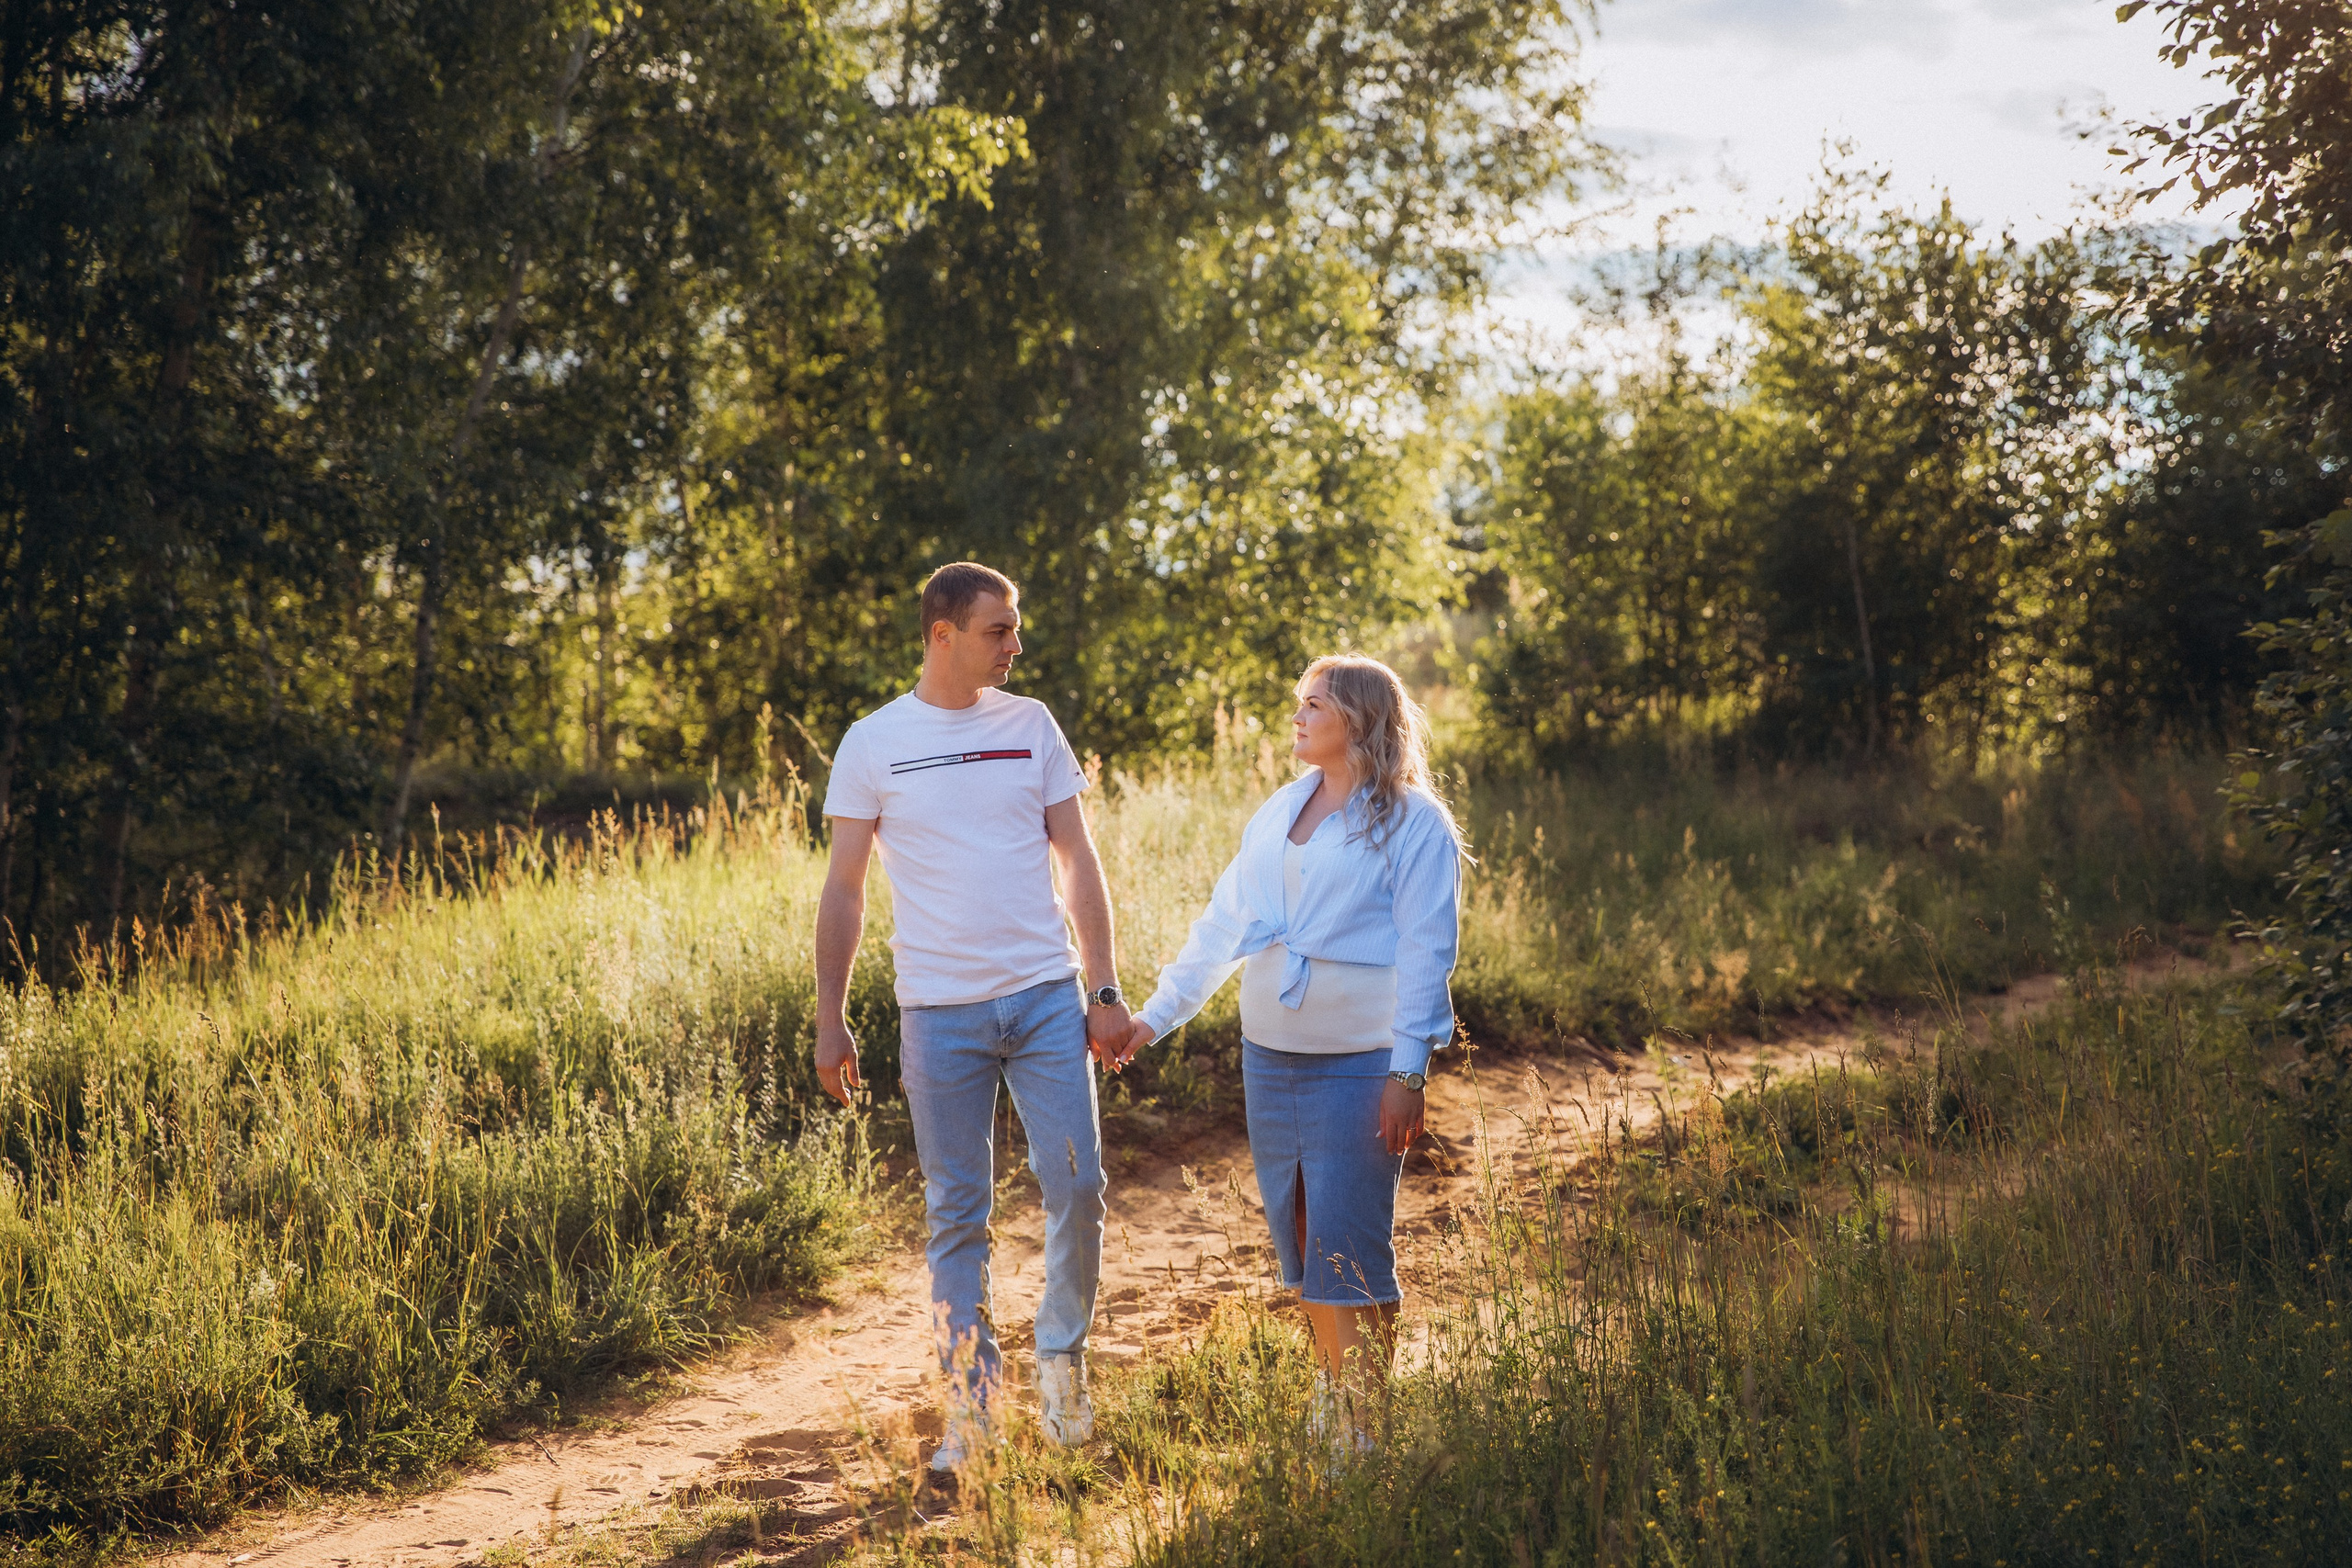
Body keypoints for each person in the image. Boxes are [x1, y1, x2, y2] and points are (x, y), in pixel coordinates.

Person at [813, 561, 1135, 1474]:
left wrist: (1102, 990)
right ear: (942, 634)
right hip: (935, 1014)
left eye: (1015, 629)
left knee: (1076, 1185)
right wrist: (829, 1018)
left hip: (1043, 998)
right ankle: (973, 1408)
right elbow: (843, 888)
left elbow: (1077, 859)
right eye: (999, 630)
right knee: (956, 1213)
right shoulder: (873, 741)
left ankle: (1062, 1374)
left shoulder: (1030, 724)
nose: (1015, 645)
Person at [1112, 655, 1463, 1449]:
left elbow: (1427, 950)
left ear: (1362, 721)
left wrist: (1409, 1069)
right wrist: (1155, 1016)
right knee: (1303, 1235)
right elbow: (1222, 923)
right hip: (1270, 1055)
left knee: (1352, 1236)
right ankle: (1336, 1389)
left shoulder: (1414, 822)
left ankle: (1363, 1425)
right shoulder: (1282, 807)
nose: (1298, 717)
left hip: (1362, 1057)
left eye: (1316, 705)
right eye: (1298, 703)